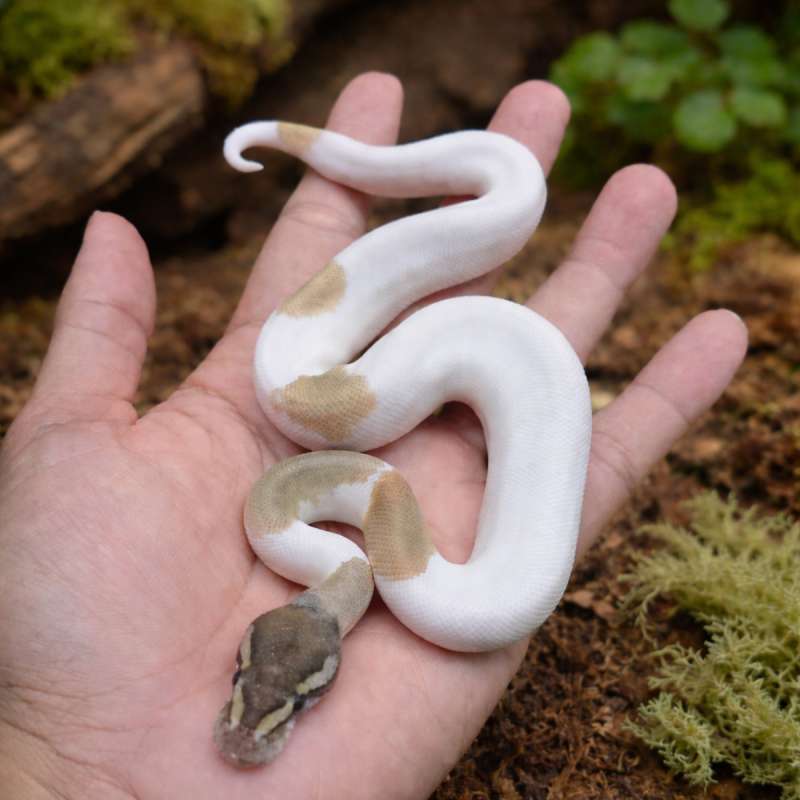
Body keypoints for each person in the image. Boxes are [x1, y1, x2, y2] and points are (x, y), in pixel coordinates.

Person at [0, 73, 746, 799]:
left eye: (278, 699)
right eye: (273, 699)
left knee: (509, 205)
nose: (250, 727)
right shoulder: (348, 543)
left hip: (450, 392)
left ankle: (483, 190)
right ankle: (485, 192)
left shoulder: (319, 519)